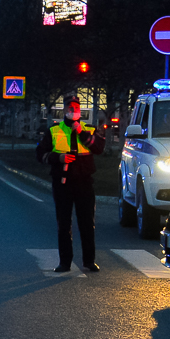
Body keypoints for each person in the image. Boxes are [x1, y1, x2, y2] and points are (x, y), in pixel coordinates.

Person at [35, 93, 106, 272]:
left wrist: (80, 131)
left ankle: (89, 261)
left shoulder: (88, 128)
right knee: (64, 224)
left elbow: (98, 148)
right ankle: (64, 262)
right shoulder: (54, 130)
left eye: (75, 107)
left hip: (84, 183)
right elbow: (40, 154)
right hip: (62, 183)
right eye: (69, 107)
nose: (72, 110)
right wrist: (58, 158)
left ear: (80, 110)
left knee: (87, 223)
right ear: (64, 109)